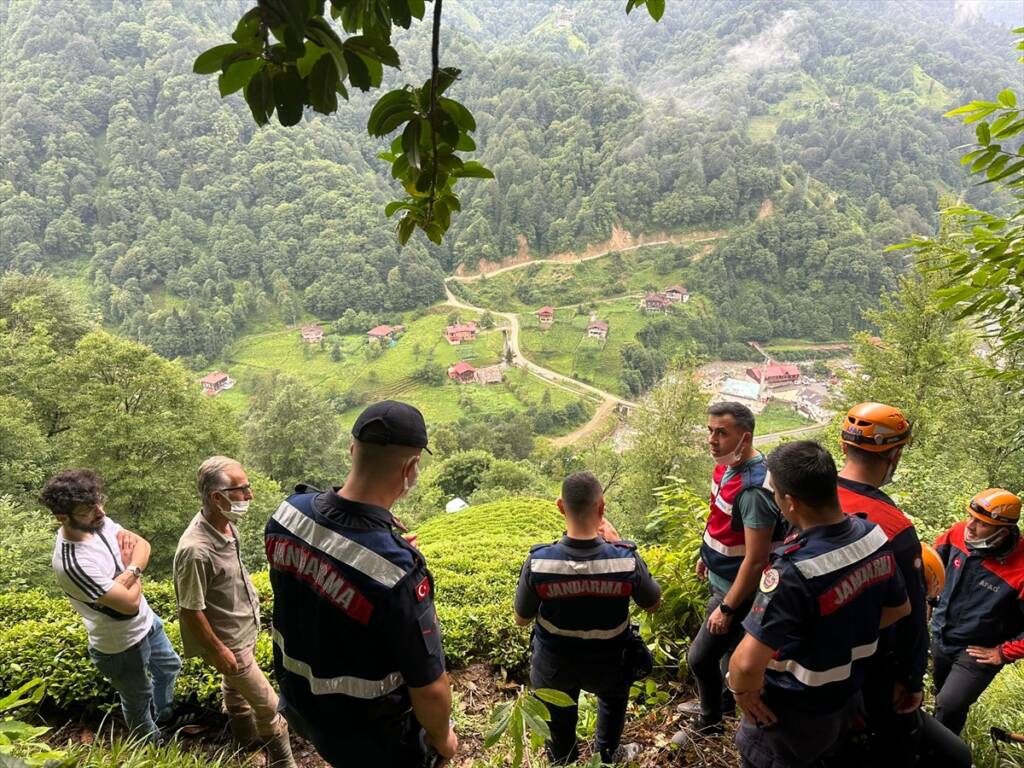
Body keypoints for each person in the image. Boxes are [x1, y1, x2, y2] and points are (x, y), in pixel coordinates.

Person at [265, 400, 457, 767]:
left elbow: (315, 574)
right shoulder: (397, 573)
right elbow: (430, 689)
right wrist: (443, 738)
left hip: (303, 708)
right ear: (411, 468)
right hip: (372, 739)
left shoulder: (287, 513)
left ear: (352, 450)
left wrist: (377, 552)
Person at [727, 441, 911, 768]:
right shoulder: (874, 537)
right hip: (846, 697)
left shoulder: (794, 571)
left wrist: (743, 693)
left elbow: (744, 664)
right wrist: (838, 636)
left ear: (791, 502)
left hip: (790, 716)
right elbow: (899, 608)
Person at [835, 403, 970, 767]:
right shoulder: (894, 527)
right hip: (872, 663)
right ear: (894, 454)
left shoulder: (809, 499)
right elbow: (911, 617)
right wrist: (911, 679)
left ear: (844, 446)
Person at [513, 471, 661, 764]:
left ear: (560, 506)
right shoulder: (626, 559)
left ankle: (563, 759)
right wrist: (619, 544)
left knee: (558, 713)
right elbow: (653, 604)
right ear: (602, 508)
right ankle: (607, 753)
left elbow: (521, 618)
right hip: (609, 660)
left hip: (554, 664)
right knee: (613, 700)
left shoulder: (540, 562)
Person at [40, 469, 183, 742]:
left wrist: (129, 573)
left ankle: (165, 715)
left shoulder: (97, 522)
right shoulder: (73, 562)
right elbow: (128, 605)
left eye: (98, 502)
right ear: (62, 517)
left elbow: (142, 545)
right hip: (120, 645)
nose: (100, 512)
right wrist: (135, 571)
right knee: (137, 699)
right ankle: (152, 745)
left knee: (169, 666)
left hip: (147, 622)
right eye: (87, 509)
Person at [173, 456, 296, 767]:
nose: (250, 495)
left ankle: (246, 747)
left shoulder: (227, 526)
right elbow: (189, 609)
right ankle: (285, 763)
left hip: (245, 630)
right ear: (218, 497)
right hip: (230, 644)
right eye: (243, 489)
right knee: (270, 708)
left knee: (236, 694)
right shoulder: (195, 550)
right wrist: (218, 651)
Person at [677, 401, 784, 736]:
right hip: (720, 576)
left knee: (699, 658)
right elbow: (720, 519)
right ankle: (723, 703)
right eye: (710, 430)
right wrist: (705, 555)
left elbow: (756, 560)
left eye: (721, 433)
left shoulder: (753, 489)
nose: (712, 439)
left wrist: (727, 607)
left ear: (745, 437)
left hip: (738, 590)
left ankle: (709, 723)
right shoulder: (727, 466)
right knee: (725, 654)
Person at [931, 488, 1024, 736]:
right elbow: (931, 565)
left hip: (978, 649)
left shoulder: (1021, 567)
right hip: (942, 634)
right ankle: (940, 743)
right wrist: (927, 602)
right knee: (943, 699)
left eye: (981, 523)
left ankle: (937, 755)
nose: (969, 525)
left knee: (950, 703)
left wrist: (1005, 652)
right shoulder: (957, 533)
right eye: (970, 516)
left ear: (1002, 531)